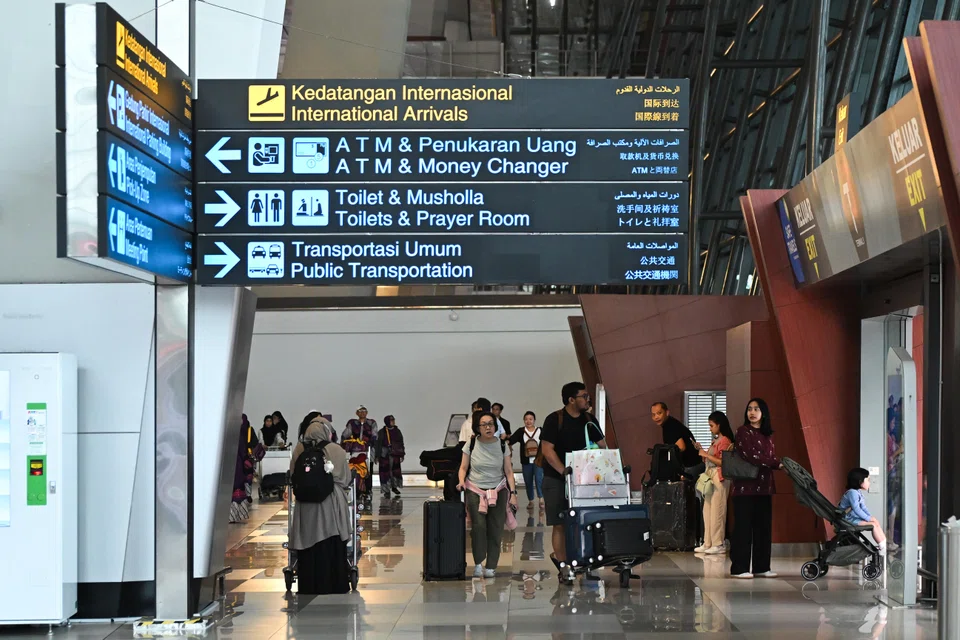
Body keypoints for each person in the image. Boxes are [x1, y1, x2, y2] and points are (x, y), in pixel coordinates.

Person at [540, 381, 606, 583]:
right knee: (560, 523)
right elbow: (547, 450)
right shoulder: (555, 419)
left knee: (584, 522)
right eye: (584, 396)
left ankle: (585, 563)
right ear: (571, 399)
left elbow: (603, 446)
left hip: (583, 481)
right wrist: (563, 471)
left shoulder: (589, 419)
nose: (587, 399)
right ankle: (564, 567)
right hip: (556, 479)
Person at [288, 412, 353, 595]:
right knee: (330, 543)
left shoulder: (299, 449)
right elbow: (345, 479)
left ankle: (308, 585)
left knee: (309, 546)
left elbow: (294, 475)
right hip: (331, 505)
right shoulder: (336, 450)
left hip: (305, 506)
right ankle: (335, 584)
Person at [457, 411, 518, 578]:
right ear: (478, 427)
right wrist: (461, 481)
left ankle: (491, 565)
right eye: (484, 424)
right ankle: (478, 562)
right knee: (478, 527)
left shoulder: (502, 445)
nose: (488, 427)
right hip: (475, 489)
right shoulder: (470, 444)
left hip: (498, 490)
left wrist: (513, 493)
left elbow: (509, 471)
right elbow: (463, 468)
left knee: (496, 528)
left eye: (491, 423)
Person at [730, 398, 781, 579]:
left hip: (764, 486)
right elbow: (752, 455)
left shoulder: (768, 434)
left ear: (763, 413)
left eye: (756, 409)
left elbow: (768, 455)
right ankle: (739, 568)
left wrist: (774, 462)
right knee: (743, 528)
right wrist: (777, 464)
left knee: (763, 528)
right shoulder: (743, 432)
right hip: (745, 487)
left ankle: (761, 567)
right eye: (749, 409)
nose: (752, 412)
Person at [694, 411, 735, 554]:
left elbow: (724, 462)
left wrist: (705, 454)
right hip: (711, 476)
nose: (710, 428)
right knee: (708, 510)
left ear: (719, 425)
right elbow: (709, 459)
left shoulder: (725, 441)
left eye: (711, 425)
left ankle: (718, 543)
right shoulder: (716, 440)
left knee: (718, 510)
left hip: (719, 476)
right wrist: (701, 451)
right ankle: (708, 542)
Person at [839, 468, 887, 550]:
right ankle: (882, 547)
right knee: (873, 525)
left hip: (853, 518)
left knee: (875, 522)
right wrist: (868, 519)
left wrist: (870, 517)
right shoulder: (852, 493)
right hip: (848, 520)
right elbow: (857, 509)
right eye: (868, 480)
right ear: (860, 481)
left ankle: (884, 543)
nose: (869, 482)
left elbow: (863, 507)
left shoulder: (858, 492)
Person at [651, 402, 703, 476]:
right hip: (695, 464)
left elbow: (681, 447)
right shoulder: (670, 423)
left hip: (690, 466)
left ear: (667, 412)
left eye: (659, 413)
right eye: (653, 415)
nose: (656, 417)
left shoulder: (670, 426)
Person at [229, 414, 262, 523]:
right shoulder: (246, 431)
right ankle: (239, 513)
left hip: (235, 464)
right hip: (245, 463)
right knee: (242, 486)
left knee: (234, 490)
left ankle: (232, 516)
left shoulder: (232, 432)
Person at [509, 411, 544, 511]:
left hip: (539, 460)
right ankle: (531, 501)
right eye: (526, 419)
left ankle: (541, 499)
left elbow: (547, 442)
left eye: (530, 419)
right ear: (524, 420)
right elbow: (511, 440)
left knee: (539, 479)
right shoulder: (521, 431)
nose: (528, 421)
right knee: (528, 481)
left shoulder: (540, 430)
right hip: (526, 461)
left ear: (534, 420)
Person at [375, 415, 405, 498]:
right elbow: (377, 444)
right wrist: (377, 456)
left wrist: (402, 454)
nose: (393, 421)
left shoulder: (397, 431)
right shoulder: (382, 432)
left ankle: (394, 487)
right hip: (384, 456)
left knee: (394, 471)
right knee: (385, 473)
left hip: (395, 455)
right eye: (391, 420)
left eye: (393, 420)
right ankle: (386, 490)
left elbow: (401, 442)